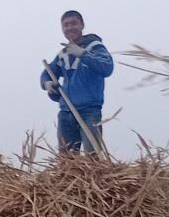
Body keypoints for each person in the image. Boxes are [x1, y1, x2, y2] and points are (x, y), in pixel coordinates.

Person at [41, 11, 114, 154]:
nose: (70, 28)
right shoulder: (63, 54)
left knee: (92, 157)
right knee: (66, 161)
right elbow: (47, 72)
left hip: (89, 111)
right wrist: (47, 84)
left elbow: (107, 68)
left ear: (82, 25)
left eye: (73, 23)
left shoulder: (94, 47)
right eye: (65, 25)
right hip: (66, 111)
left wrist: (83, 54)